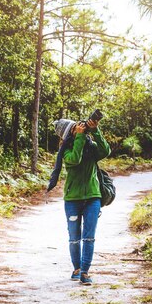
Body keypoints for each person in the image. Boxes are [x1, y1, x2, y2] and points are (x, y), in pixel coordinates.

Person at [51, 117, 110, 285]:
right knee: (74, 238)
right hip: (72, 200)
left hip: (93, 197)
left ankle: (85, 272)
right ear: (69, 134)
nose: (80, 129)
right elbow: (75, 159)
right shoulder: (66, 151)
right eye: (75, 128)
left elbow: (106, 151)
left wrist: (96, 130)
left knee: (89, 237)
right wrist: (79, 138)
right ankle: (76, 268)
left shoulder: (91, 148)